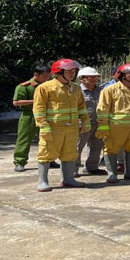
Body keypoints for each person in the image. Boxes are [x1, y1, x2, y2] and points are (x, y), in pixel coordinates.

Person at [32, 59, 90, 191]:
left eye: (74, 71)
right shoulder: (45, 88)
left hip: (72, 128)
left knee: (69, 153)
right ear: (58, 72)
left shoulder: (76, 88)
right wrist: (43, 126)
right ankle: (43, 181)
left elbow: (81, 107)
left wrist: (85, 121)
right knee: (46, 153)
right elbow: (39, 109)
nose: (72, 73)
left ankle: (68, 179)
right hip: (53, 128)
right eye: (69, 71)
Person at [96, 63, 130, 183]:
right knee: (111, 149)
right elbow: (103, 109)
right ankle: (112, 174)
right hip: (116, 126)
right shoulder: (110, 90)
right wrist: (103, 125)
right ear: (122, 75)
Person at [12, 64, 50, 172]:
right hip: (29, 115)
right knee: (24, 139)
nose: (46, 79)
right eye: (44, 77)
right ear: (36, 75)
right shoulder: (24, 87)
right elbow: (16, 102)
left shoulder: (48, 86)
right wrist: (36, 101)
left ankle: (49, 160)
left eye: (48, 77)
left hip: (45, 115)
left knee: (47, 138)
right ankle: (20, 162)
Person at [76, 67, 106, 176]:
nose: (94, 79)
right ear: (82, 79)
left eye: (95, 77)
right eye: (91, 77)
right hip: (82, 124)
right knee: (77, 147)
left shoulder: (101, 91)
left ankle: (92, 167)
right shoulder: (77, 91)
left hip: (98, 123)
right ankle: (72, 169)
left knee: (96, 146)